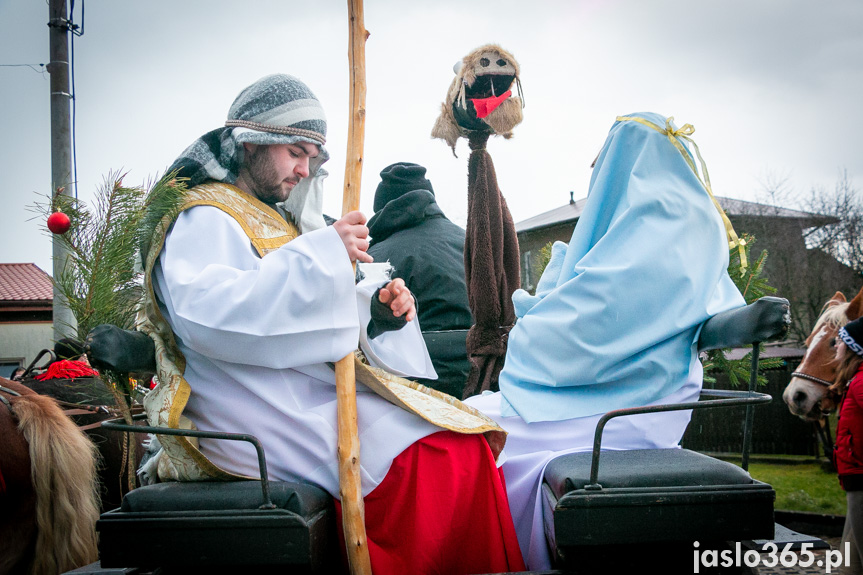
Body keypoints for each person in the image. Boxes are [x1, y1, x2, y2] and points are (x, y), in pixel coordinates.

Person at [137, 74, 524, 574]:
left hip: (299, 394)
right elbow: (209, 317)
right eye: (296, 152)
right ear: (254, 140)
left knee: (463, 444)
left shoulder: (274, 216)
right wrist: (325, 256)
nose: (304, 169)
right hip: (246, 405)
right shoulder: (203, 214)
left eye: (312, 157)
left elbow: (313, 307)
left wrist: (377, 311)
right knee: (442, 460)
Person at [466, 112, 747, 569]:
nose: (597, 174)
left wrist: (532, 325)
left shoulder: (664, 223)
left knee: (474, 439)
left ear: (628, 161)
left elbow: (597, 318)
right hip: (626, 386)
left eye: (603, 162)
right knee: (469, 421)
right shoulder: (656, 221)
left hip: (630, 399)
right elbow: (594, 297)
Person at [367, 162, 473, 397]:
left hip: (421, 391)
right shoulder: (472, 242)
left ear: (381, 209)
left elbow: (363, 332)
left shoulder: (376, 257)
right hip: (489, 379)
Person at [833, 317, 863, 574]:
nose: (837, 345)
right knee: (849, 562)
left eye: (842, 340)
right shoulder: (856, 380)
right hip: (854, 478)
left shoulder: (862, 382)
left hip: (860, 478)